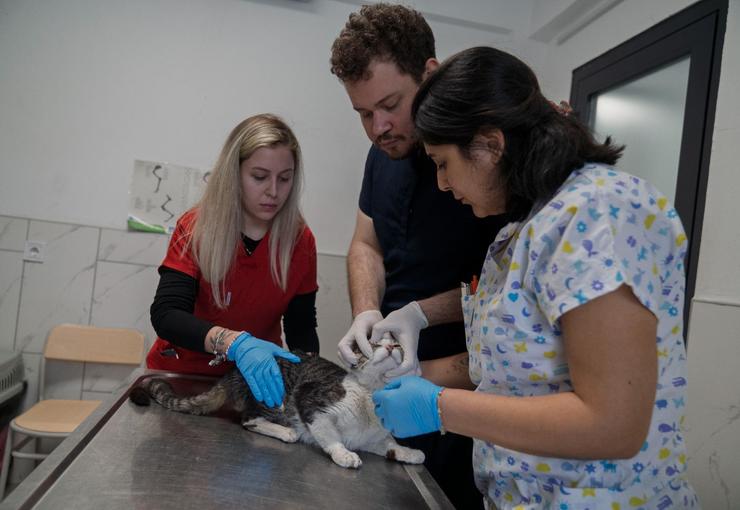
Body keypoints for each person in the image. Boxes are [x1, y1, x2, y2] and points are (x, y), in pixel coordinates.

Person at [372, 46, 699, 509]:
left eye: (443, 163)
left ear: (491, 145)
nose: (443, 183)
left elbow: (612, 424)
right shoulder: (522, 230)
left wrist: (439, 406)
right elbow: (517, 370)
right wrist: (406, 367)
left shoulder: (597, 212)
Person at [330, 5, 507, 509]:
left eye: (390, 105)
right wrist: (368, 311)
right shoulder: (380, 154)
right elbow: (367, 243)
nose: (378, 127)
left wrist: (421, 318)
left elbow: (502, 291)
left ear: (430, 75)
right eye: (364, 114)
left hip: (467, 390)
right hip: (395, 380)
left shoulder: (483, 164)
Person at [148, 113, 319, 409]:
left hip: (251, 385)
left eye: (285, 178)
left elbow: (301, 328)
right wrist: (234, 344)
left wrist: (311, 380)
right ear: (234, 174)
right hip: (181, 379)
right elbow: (167, 315)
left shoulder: (300, 242)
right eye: (259, 177)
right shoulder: (195, 228)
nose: (273, 191)